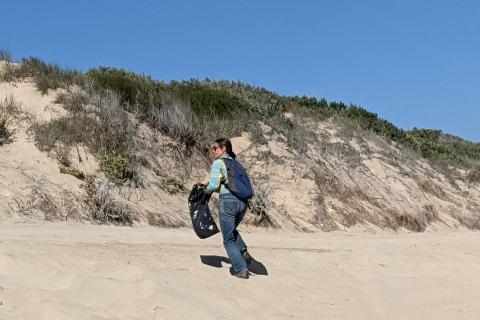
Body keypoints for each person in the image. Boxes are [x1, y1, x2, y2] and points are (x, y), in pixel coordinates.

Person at [202, 138, 253, 279]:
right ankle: (242, 250)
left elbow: (213, 185)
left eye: (215, 148)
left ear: (223, 148)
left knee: (228, 239)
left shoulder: (218, 163)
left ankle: (241, 269)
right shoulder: (237, 164)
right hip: (243, 203)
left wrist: (203, 192)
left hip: (228, 202)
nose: (212, 151)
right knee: (230, 230)